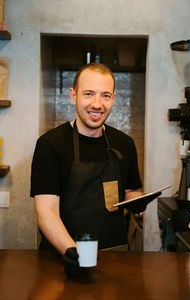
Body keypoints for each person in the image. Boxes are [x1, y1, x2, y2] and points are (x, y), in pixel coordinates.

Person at [30, 62, 145, 277]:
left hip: (115, 258)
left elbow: (132, 191)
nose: (97, 104)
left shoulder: (125, 143)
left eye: (105, 96)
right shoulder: (51, 145)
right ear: (74, 95)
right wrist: (73, 252)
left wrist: (140, 204)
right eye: (89, 94)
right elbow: (47, 212)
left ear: (114, 97)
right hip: (61, 258)